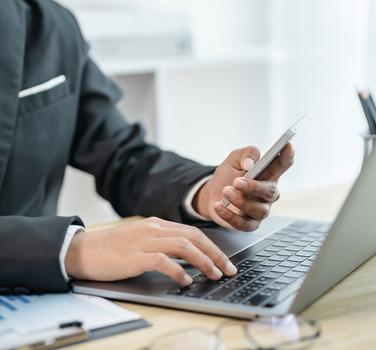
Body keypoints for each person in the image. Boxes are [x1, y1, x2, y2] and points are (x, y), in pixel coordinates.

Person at [0, 0, 294, 294]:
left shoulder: (48, 24)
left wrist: (207, 193)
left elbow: (121, 155)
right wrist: (71, 250)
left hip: (41, 297)